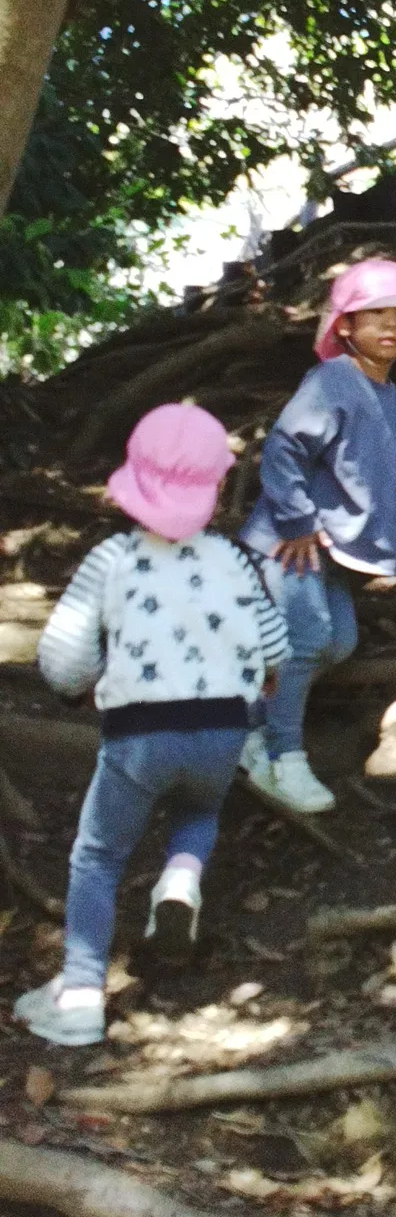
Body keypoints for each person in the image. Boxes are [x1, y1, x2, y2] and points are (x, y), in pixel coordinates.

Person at [15, 405, 289, 1046]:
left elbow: (61, 661)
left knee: (100, 854)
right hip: (224, 727)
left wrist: (83, 687)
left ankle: (81, 993)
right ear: (216, 488)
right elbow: (274, 643)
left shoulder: (109, 559)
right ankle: (180, 879)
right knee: (199, 808)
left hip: (140, 733)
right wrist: (263, 679)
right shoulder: (236, 559)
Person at [240, 257, 396, 813]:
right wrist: (296, 520)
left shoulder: (386, 390)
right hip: (289, 539)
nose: (390, 327)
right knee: (309, 636)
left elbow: (365, 462)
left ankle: (248, 724)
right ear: (344, 325)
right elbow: (285, 448)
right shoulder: (334, 378)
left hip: (330, 548)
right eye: (375, 315)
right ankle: (282, 756)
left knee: (338, 643)